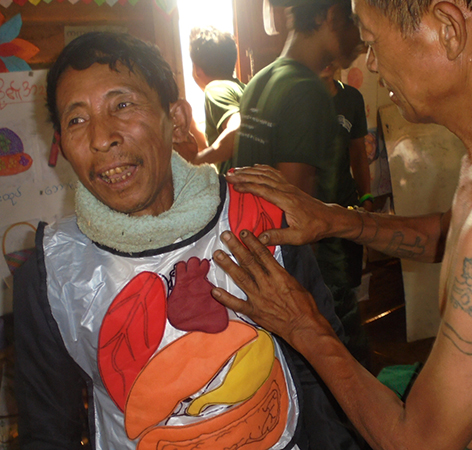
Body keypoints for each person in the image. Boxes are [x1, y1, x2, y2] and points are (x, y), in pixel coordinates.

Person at [209, 0, 472, 449]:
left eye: (373, 43)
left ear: (449, 29)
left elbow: (418, 443)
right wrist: (334, 219)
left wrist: (301, 324)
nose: (372, 64)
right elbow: (450, 237)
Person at [12, 31, 361, 450]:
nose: (102, 138)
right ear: (63, 148)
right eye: (77, 119)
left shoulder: (257, 222)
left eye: (122, 105)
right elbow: (49, 432)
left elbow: (320, 376)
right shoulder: (54, 272)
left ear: (175, 119)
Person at [233, 0, 363, 201]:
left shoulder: (258, 82)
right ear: (333, 16)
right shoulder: (308, 92)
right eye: (356, 21)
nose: (363, 40)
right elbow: (297, 215)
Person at [316, 61, 372, 367]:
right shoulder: (299, 100)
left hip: (347, 210)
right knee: (324, 295)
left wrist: (366, 197)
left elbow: (358, 154)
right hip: (313, 218)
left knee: (348, 291)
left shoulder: (351, 99)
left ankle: (354, 367)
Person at [178, 26, 245, 173]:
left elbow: (237, 130)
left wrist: (195, 163)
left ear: (197, 69)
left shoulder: (215, 89)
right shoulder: (239, 87)